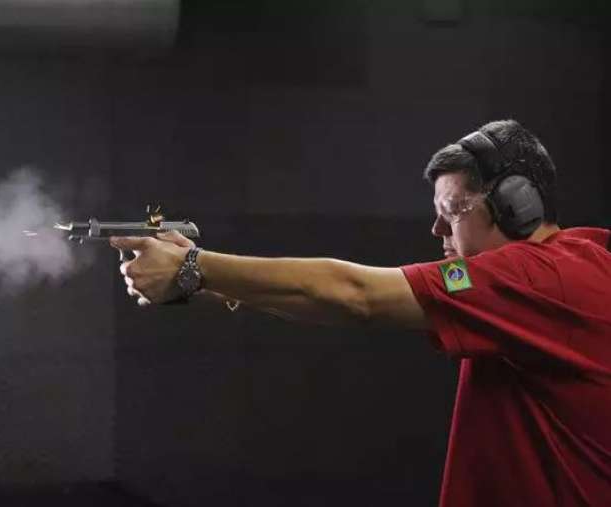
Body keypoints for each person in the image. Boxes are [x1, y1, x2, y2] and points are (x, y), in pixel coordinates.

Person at [110, 119, 611, 506]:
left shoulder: (534, 276)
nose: (438, 231)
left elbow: (357, 295)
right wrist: (203, 280)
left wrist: (195, 266)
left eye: (454, 211)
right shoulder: (563, 273)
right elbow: (340, 300)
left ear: (517, 206)